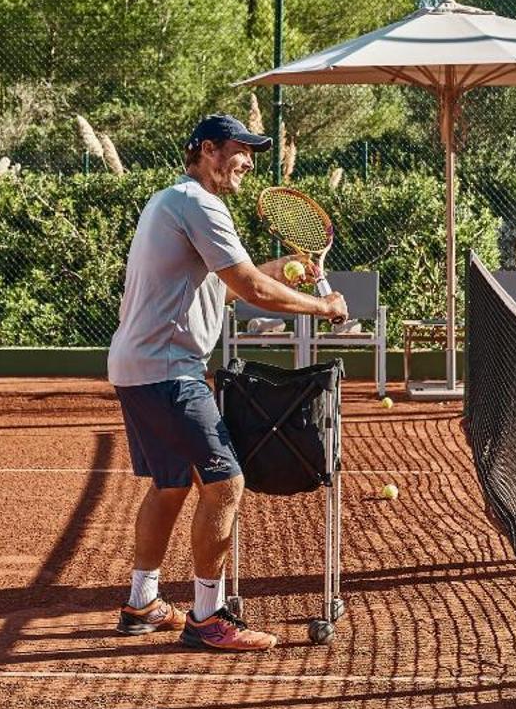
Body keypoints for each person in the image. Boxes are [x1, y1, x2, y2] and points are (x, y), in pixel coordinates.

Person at [107, 112, 348, 652]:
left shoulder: (169, 200)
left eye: (252, 152)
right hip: (170, 370)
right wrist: (324, 306)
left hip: (136, 366)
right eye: (240, 150)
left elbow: (225, 286)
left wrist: (280, 267)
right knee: (225, 483)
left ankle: (142, 601)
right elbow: (250, 289)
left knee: (170, 484)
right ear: (208, 150)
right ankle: (208, 617)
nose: (248, 162)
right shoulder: (200, 203)